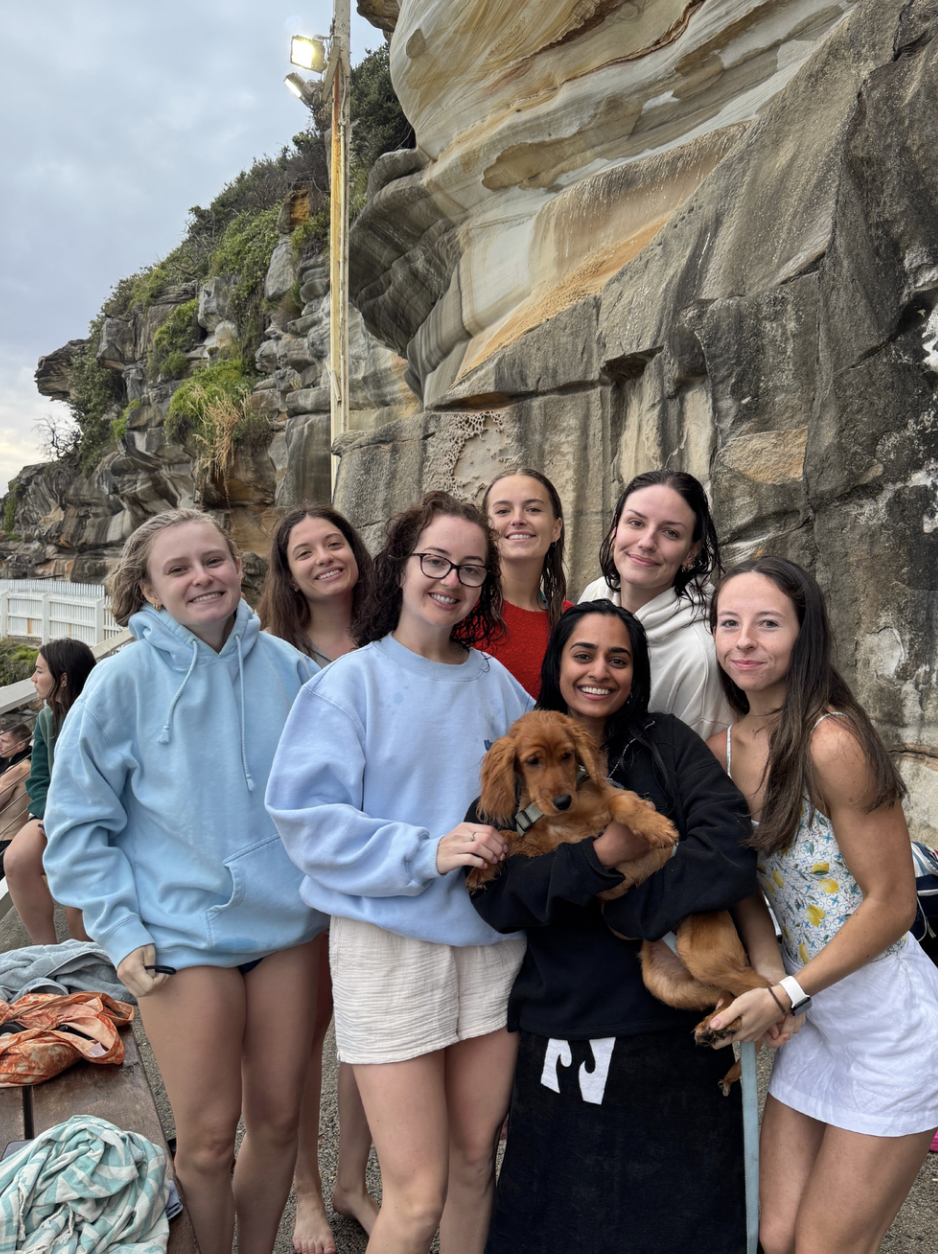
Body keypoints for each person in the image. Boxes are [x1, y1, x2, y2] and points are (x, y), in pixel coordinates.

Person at [42, 508, 326, 1254]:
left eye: (216, 559)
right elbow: (77, 826)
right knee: (204, 1139)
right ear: (148, 590)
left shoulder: (292, 669)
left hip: (290, 929)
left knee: (276, 1121)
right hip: (178, 938)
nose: (203, 577)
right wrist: (120, 928)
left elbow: (343, 789)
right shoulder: (118, 684)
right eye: (179, 568)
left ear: (239, 567)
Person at [267, 490, 533, 1254]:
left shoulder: (495, 685)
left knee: (476, 1163)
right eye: (436, 560)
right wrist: (427, 849)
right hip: (388, 951)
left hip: (489, 951)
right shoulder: (350, 684)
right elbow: (306, 822)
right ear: (403, 564)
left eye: (471, 570)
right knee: (415, 1196)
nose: (451, 580)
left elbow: (548, 791)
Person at [468, 599, 766, 1254]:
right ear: (557, 664)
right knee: (561, 1218)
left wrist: (637, 912)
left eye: (619, 658)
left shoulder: (667, 743)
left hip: (670, 1032)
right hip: (567, 1020)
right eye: (583, 654)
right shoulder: (518, 757)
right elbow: (497, 896)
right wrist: (597, 861)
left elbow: (727, 843)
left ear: (637, 672)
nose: (600, 671)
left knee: (684, 1217)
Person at [704, 557, 938, 1254]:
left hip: (889, 1032)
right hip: (815, 1021)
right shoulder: (723, 748)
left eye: (767, 623)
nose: (743, 640)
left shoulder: (831, 742)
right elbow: (741, 880)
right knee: (775, 1237)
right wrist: (774, 978)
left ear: (806, 636)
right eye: (728, 623)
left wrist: (786, 993)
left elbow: (893, 903)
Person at [257, 505, 378, 1254]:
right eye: (305, 551)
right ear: (288, 570)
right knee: (302, 1042)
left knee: (365, 1037)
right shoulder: (272, 655)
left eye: (334, 542)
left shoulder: (394, 632)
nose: (325, 558)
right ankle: (306, 1192)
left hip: (378, 869)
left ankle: (351, 1183)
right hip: (300, 872)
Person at [580, 469, 731, 739]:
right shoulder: (596, 594)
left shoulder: (700, 657)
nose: (647, 542)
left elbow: (695, 774)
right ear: (615, 529)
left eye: (670, 533)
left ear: (691, 552)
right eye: (636, 523)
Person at [4, 640, 96, 943]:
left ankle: (83, 956)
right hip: (56, 814)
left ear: (64, 679)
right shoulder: (46, 718)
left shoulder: (100, 712)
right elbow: (40, 779)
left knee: (74, 876)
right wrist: (49, 814)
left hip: (95, 816)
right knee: (16, 860)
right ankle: (47, 953)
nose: (32, 679)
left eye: (39, 671)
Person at [480, 468, 572, 697]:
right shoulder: (458, 609)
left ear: (555, 528)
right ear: (484, 529)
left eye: (533, 509)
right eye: (503, 511)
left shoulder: (573, 622)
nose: (518, 519)